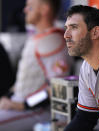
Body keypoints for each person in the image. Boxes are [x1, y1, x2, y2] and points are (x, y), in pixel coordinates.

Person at [0, 0, 73, 130]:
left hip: (37, 111)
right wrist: (8, 99)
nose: (25, 10)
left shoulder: (53, 40)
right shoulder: (38, 36)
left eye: (30, 7)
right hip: (18, 105)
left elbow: (55, 90)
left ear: (44, 9)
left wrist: (22, 105)